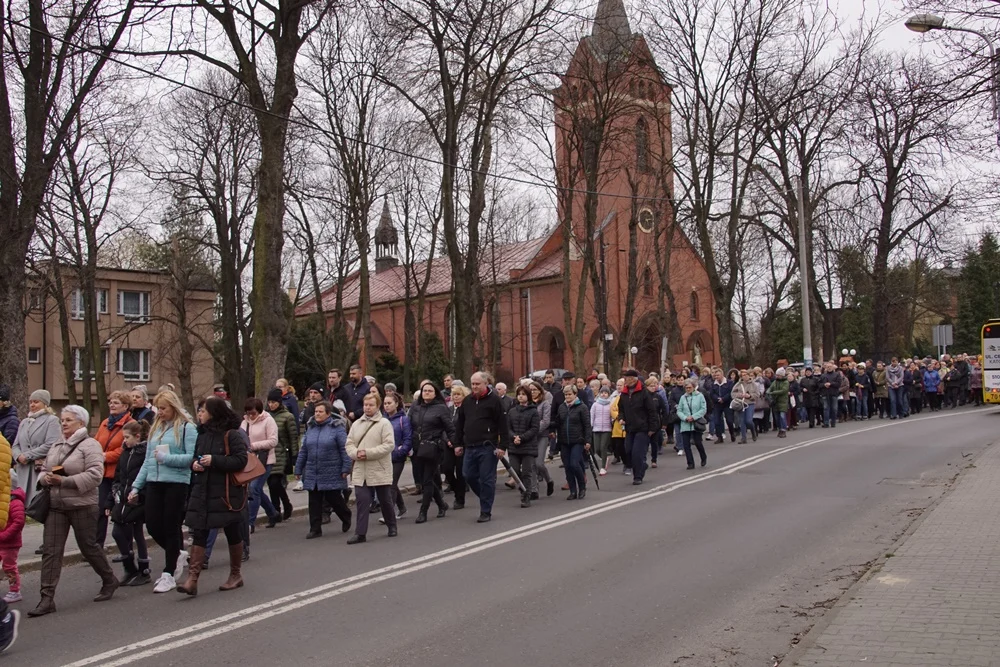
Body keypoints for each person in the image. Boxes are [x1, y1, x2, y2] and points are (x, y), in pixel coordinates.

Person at [30, 405, 119, 617]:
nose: (64, 423)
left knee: (88, 547)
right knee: (51, 552)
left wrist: (65, 481)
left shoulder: (90, 445)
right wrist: (45, 478)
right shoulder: (57, 444)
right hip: (55, 506)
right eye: (62, 420)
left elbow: (95, 476)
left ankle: (109, 579)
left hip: (82, 505)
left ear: (81, 422)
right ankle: (46, 598)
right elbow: (44, 470)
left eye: (68, 420)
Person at [175, 397, 249, 596]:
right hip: (203, 491)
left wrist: (214, 460)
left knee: (232, 531)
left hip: (226, 493)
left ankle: (235, 575)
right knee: (199, 532)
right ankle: (192, 579)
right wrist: (195, 464)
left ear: (214, 413)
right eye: (199, 411)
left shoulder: (231, 434)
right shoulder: (202, 434)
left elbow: (241, 460)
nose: (199, 414)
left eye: (203, 411)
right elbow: (196, 457)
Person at [130, 390, 197, 593]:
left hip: (176, 483)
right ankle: (177, 552)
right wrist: (136, 486)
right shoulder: (156, 429)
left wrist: (167, 459)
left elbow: (191, 458)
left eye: (163, 408)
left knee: (170, 525)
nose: (159, 412)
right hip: (154, 482)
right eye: (158, 408)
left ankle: (168, 573)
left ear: (173, 407)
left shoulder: (187, 428)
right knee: (151, 525)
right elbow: (148, 461)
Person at [454, 372, 510, 523]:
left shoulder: (495, 401)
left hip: (488, 447)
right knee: (468, 475)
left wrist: (503, 446)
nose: (474, 386)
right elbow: (460, 424)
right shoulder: (467, 401)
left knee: (486, 479)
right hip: (470, 446)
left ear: (486, 384)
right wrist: (457, 443)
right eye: (472, 384)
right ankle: (486, 496)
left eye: (477, 384)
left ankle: (486, 510)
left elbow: (503, 425)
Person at [294, 401, 353, 539]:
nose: (317, 414)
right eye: (316, 412)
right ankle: (315, 528)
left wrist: (346, 468)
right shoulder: (311, 428)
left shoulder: (336, 428)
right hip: (313, 470)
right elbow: (304, 450)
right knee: (314, 500)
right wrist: (298, 468)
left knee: (334, 498)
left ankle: (346, 516)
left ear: (328, 413)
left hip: (331, 469)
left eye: (320, 412)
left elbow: (344, 450)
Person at [345, 393, 397, 543]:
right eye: (365, 405)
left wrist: (367, 453)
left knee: (385, 500)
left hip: (379, 468)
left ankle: (391, 524)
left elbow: (388, 445)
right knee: (362, 500)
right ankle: (360, 533)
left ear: (377, 406)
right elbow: (349, 444)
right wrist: (355, 453)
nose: (367, 408)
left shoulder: (384, 423)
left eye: (371, 405)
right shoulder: (356, 424)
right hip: (361, 470)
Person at [104, 420, 150, 587]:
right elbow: (118, 478)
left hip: (136, 499)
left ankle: (144, 569)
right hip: (121, 499)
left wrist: (140, 494)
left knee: (137, 532)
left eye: (127, 437)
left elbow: (146, 477)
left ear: (137, 437)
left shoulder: (144, 454)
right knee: (118, 532)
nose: (124, 441)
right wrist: (110, 501)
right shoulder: (125, 454)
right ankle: (129, 566)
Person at [408, 381, 454, 524]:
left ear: (435, 393)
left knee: (427, 479)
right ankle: (441, 504)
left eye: (429, 391)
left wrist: (455, 443)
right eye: (424, 390)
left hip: (433, 447)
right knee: (426, 479)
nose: (426, 393)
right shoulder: (415, 407)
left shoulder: (441, 408)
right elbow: (410, 427)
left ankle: (424, 511)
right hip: (417, 447)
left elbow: (450, 428)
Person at [93, 391, 133, 549]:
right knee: (100, 509)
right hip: (103, 473)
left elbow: (125, 448)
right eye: (111, 402)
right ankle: (97, 545)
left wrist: (105, 456)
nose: (112, 405)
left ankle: (125, 547)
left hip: (120, 474)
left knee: (120, 512)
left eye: (116, 402)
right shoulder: (104, 423)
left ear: (125, 406)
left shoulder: (130, 424)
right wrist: (95, 454)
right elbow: (96, 441)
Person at [11, 390, 60, 511]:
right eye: (31, 402)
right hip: (23, 467)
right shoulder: (24, 422)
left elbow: (51, 444)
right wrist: (18, 456)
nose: (32, 405)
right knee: (21, 503)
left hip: (37, 467)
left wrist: (27, 456)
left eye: (36, 402)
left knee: (35, 501)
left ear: (45, 403)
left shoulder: (51, 420)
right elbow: (15, 444)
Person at [241, 398, 281, 536]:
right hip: (249, 460)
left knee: (253, 489)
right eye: (248, 413)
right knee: (256, 489)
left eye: (253, 413)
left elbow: (273, 441)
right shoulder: (244, 422)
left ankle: (250, 523)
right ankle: (272, 513)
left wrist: (253, 446)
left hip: (265, 459)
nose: (251, 416)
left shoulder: (268, 420)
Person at [617, 370, 658, 486]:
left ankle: (638, 476)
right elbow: (621, 409)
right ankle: (642, 465)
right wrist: (621, 417)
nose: (626, 380)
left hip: (642, 428)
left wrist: (652, 428)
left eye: (628, 378)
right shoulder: (624, 394)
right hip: (629, 428)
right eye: (625, 378)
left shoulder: (643, 393)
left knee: (637, 453)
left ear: (634, 379)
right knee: (628, 450)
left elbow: (652, 411)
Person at [551, 384, 592, 500]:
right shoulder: (562, 407)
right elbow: (558, 422)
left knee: (574, 464)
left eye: (570, 394)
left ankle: (582, 486)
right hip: (564, 440)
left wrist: (588, 441)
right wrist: (550, 428)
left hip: (577, 440)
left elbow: (587, 425)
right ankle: (573, 490)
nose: (567, 396)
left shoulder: (582, 407)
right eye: (565, 394)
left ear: (575, 395)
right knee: (568, 466)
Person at [265, 388, 297, 521]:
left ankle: (285, 504)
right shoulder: (266, 416)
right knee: (271, 483)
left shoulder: (287, 416)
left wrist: (295, 455)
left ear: (279, 402)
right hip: (267, 454)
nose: (271, 405)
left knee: (275, 482)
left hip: (282, 454)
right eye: (269, 402)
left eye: (274, 402)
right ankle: (276, 511)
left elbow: (293, 437)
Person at [507, 385, 539, 507]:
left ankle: (526, 496)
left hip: (528, 447)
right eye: (519, 394)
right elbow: (508, 427)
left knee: (527, 472)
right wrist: (514, 437)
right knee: (514, 471)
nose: (521, 396)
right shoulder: (512, 411)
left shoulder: (533, 411)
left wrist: (522, 438)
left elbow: (534, 428)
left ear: (528, 396)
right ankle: (523, 488)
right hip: (514, 447)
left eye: (523, 394)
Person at [382, 393, 412, 522]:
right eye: (385, 403)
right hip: (384, 456)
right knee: (390, 483)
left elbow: (408, 438)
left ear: (396, 404)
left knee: (391, 484)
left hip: (398, 457)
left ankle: (390, 514)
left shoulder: (403, 419)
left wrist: (401, 451)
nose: (387, 406)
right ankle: (402, 507)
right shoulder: (382, 420)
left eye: (389, 403)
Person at [443, 385, 470, 507]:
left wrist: (457, 442)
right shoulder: (448, 410)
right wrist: (447, 439)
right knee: (447, 469)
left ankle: (460, 499)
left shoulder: (466, 410)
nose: (455, 397)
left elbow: (466, 428)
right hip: (449, 444)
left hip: (461, 444)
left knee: (460, 473)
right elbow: (443, 426)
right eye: (454, 394)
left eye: (458, 394)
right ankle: (456, 489)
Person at [0, 470, 24, 603]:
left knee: (9, 567)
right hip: (1, 541)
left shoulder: (15, 502)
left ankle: (15, 590)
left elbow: (18, 522)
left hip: (10, 543)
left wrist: (4, 536)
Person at [677, 378, 708, 470]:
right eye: (686, 388)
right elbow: (679, 410)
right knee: (686, 445)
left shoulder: (700, 396)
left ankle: (703, 457)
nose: (688, 389)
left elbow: (703, 409)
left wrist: (693, 417)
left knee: (698, 442)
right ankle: (690, 463)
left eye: (689, 387)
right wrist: (685, 418)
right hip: (685, 424)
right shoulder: (683, 397)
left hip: (696, 423)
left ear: (694, 387)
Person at [731, 369, 759, 443]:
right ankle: (743, 438)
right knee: (742, 421)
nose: (744, 376)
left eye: (746, 375)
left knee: (748, 421)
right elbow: (732, 393)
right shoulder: (738, 384)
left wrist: (749, 396)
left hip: (750, 403)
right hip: (741, 404)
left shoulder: (753, 384)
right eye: (743, 375)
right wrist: (739, 395)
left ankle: (753, 431)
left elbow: (757, 394)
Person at [590, 387, 612, 474]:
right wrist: (591, 425)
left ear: (608, 395)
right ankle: (604, 457)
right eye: (602, 392)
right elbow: (592, 415)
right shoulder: (595, 404)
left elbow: (612, 415)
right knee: (597, 449)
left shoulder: (610, 404)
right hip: (596, 428)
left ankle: (603, 467)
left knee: (603, 447)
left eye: (606, 393)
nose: (603, 394)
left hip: (607, 429)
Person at [819, 362, 841, 428]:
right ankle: (826, 423)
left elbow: (838, 384)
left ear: (833, 367)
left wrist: (830, 384)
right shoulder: (823, 375)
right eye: (828, 367)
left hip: (834, 393)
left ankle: (833, 422)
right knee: (826, 408)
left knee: (834, 408)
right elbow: (819, 384)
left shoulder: (837, 375)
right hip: (825, 394)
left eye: (830, 367)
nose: (829, 368)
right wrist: (824, 385)